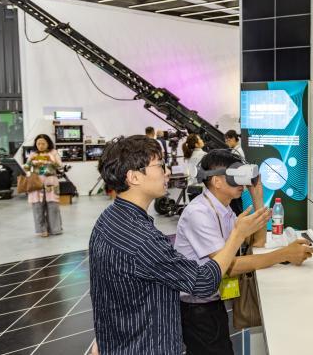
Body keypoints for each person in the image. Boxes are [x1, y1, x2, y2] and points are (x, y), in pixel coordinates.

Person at [89, 135, 270, 354]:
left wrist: (104, 336)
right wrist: (237, 235)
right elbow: (203, 282)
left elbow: (105, 291)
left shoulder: (108, 219)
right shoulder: (143, 238)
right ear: (134, 177)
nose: (167, 172)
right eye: (160, 165)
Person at [174, 149, 313, 355]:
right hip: (196, 305)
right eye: (235, 174)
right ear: (217, 181)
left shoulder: (224, 209)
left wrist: (257, 197)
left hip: (212, 298)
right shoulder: (199, 213)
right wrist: (284, 254)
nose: (242, 182)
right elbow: (227, 267)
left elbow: (257, 242)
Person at [24, 134, 63, 237]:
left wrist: (51, 159)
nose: (40, 146)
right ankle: (42, 230)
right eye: (38, 144)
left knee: (53, 207)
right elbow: (26, 167)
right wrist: (31, 164)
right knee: (37, 208)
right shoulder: (33, 154)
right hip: (36, 185)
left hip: (51, 184)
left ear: (48, 143)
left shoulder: (54, 153)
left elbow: (60, 166)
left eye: (43, 143)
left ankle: (55, 229)